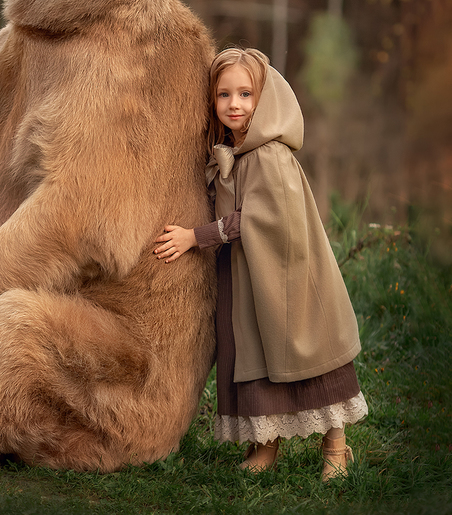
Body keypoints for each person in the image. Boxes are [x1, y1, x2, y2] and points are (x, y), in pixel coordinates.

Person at [154, 47, 367, 480]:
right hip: (247, 275)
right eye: (224, 95)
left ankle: (337, 446)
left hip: (286, 278)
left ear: (264, 98)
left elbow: (261, 220)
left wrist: (197, 236)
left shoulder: (270, 155)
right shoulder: (231, 153)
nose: (234, 104)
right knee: (252, 354)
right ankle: (264, 443)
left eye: (246, 94)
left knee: (302, 349)